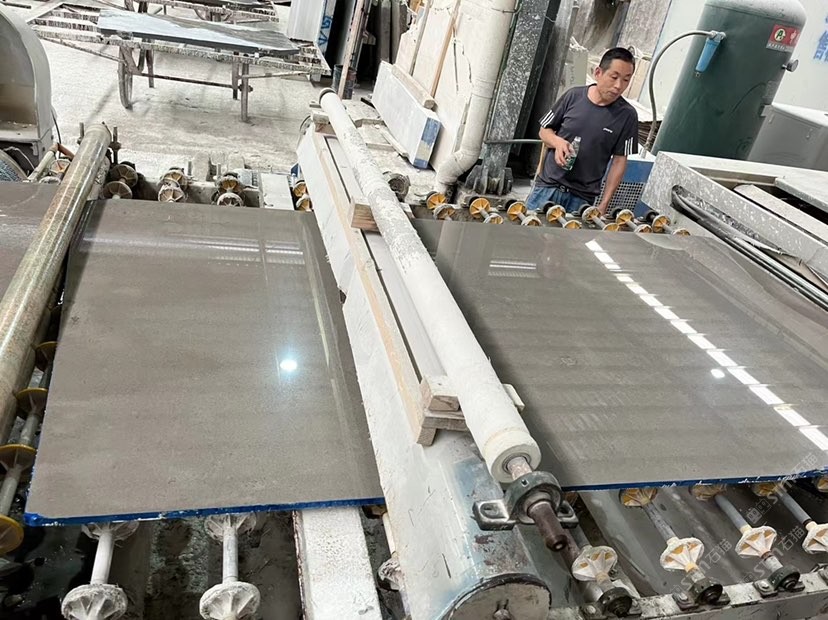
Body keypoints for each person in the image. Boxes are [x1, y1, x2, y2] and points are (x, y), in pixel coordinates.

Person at [526, 47, 639, 215]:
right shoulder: (573, 96)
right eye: (614, 77)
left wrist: (604, 204)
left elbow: (619, 161)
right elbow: (544, 130)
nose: (618, 86)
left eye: (626, 80)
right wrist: (558, 142)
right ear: (598, 73)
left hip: (581, 200)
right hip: (546, 189)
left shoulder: (627, 116)